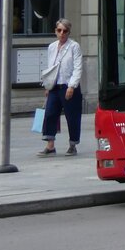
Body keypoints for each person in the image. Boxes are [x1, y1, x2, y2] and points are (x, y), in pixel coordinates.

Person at [39, 17, 83, 156]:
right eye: (59, 30)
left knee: (72, 116)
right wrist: (47, 85)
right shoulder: (52, 47)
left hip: (68, 85)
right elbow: (50, 67)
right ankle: (50, 145)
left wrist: (72, 85)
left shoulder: (74, 46)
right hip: (54, 86)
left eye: (65, 31)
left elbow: (78, 67)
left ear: (69, 32)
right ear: (55, 31)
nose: (62, 33)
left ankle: (73, 144)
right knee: (50, 113)